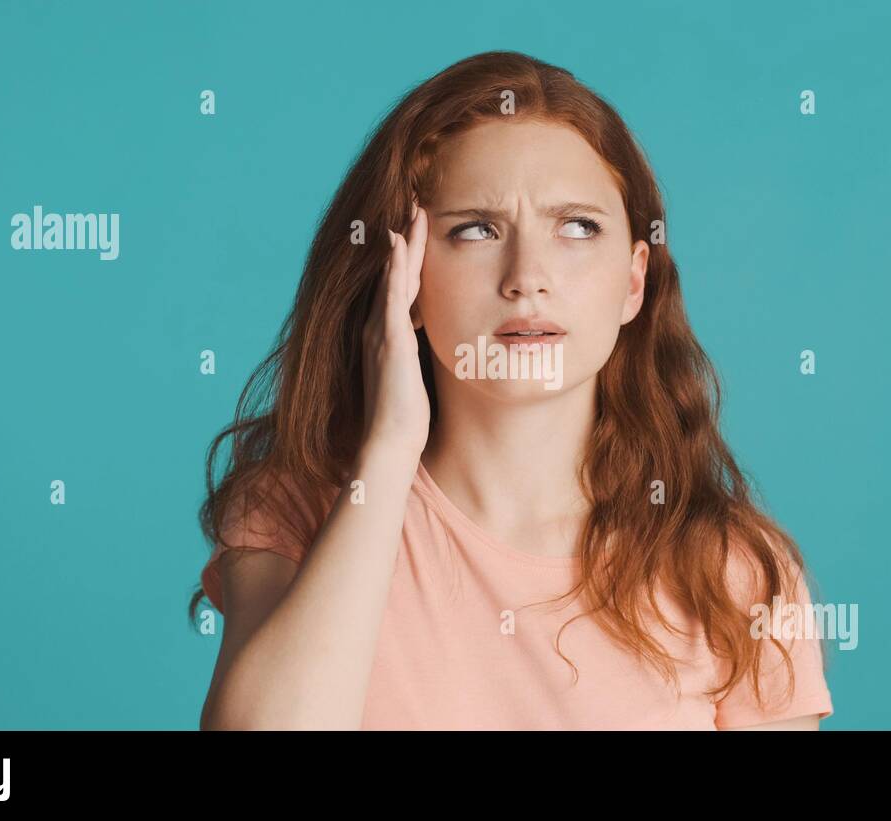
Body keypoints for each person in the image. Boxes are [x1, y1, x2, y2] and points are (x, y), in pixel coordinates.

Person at [192, 50, 834, 730]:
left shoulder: (735, 571)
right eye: (476, 229)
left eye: (577, 228)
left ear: (634, 280)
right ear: (403, 278)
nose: (527, 276)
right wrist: (388, 451)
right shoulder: (299, 510)